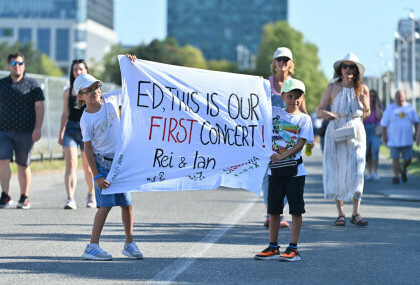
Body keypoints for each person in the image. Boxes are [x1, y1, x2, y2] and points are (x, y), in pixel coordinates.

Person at [78, 55, 143, 261]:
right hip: (102, 164)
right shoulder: (86, 119)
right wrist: (96, 176)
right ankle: (92, 246)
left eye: (95, 87)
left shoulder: (112, 99)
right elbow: (88, 150)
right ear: (80, 96)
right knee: (105, 205)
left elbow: (131, 89)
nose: (94, 92)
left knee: (126, 203)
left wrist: (133, 67)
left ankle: (129, 243)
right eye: (88, 91)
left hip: (119, 162)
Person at [254, 79, 313, 262]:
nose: (293, 100)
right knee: (274, 210)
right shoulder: (275, 113)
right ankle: (273, 247)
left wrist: (282, 155)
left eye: (297, 97)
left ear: (302, 98)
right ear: (282, 96)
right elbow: (257, 107)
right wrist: (256, 85)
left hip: (295, 171)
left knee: (296, 210)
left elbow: (300, 144)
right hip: (275, 171)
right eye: (290, 96)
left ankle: (293, 248)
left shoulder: (304, 119)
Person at [316, 53, 370, 227]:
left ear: (356, 70)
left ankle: (356, 212)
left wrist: (365, 105)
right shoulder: (332, 87)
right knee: (338, 171)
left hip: (356, 130)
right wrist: (325, 114)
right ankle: (341, 214)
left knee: (357, 170)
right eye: (344, 66)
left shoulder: (363, 89)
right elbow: (318, 109)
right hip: (337, 129)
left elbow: (367, 114)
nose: (347, 69)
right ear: (340, 69)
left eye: (351, 66)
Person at [262, 47, 308, 229]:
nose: (282, 62)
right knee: (269, 175)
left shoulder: (295, 85)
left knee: (289, 173)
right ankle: (273, 212)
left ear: (291, 63)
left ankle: (280, 211)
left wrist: (308, 131)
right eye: (279, 59)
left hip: (289, 139)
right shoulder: (265, 84)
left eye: (286, 59)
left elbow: (302, 110)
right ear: (274, 63)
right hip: (268, 137)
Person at [0, 52, 45, 209]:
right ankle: (5, 195)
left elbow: (39, 107)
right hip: (4, 131)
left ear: (24, 65)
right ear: (8, 66)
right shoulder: (2, 84)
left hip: (26, 132)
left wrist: (38, 128)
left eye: (19, 63)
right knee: (3, 160)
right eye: (13, 64)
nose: (16, 66)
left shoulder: (33, 84)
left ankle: (24, 197)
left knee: (23, 165)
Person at [58, 59, 95, 209]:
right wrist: (61, 132)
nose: (78, 72)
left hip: (87, 132)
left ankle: (91, 195)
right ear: (72, 73)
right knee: (71, 164)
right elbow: (65, 113)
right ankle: (70, 198)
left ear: (86, 71)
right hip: (71, 131)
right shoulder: (68, 92)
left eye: (81, 69)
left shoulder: (93, 90)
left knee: (88, 167)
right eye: (75, 70)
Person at [381, 90, 419, 184]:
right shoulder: (390, 108)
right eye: (398, 96)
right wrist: (384, 136)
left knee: (408, 159)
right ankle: (396, 176)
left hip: (407, 139)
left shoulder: (410, 108)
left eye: (401, 96)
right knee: (395, 158)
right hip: (393, 140)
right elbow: (384, 124)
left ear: (405, 97)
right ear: (395, 98)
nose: (400, 98)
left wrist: (416, 135)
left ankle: (403, 168)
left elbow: (416, 123)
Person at [363, 89, 383, 180]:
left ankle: (375, 171)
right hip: (365, 129)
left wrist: (376, 105)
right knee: (367, 153)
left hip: (375, 130)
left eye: (374, 96)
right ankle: (369, 172)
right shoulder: (363, 106)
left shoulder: (379, 106)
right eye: (370, 96)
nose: (372, 98)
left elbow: (379, 117)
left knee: (375, 151)